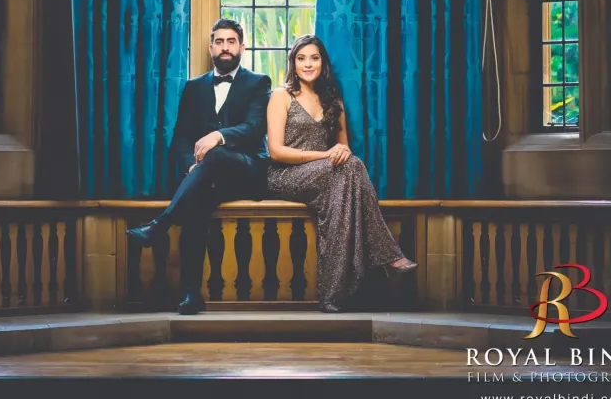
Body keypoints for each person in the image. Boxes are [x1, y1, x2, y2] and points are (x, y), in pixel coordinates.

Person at [126, 19, 272, 315]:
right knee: (196, 201)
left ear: (242, 47)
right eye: (219, 41)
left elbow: (255, 128)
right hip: (206, 176)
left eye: (231, 41)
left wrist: (219, 137)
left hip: (247, 170)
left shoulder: (259, 82)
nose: (225, 47)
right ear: (210, 48)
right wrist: (192, 168)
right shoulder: (194, 87)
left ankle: (159, 225)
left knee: (215, 156)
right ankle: (191, 294)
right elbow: (181, 138)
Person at [265, 35, 417, 313]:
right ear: (293, 63)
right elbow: (276, 152)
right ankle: (388, 254)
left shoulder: (334, 102)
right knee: (353, 167)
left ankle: (332, 297)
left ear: (323, 63)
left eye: (314, 58)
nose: (308, 64)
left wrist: (338, 154)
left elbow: (343, 150)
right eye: (301, 58)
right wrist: (326, 155)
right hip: (286, 176)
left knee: (342, 202)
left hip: (328, 177)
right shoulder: (281, 96)